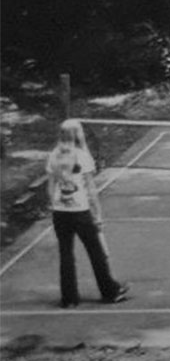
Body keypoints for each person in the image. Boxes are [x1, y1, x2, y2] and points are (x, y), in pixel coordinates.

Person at [46, 119, 129, 308]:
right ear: (78, 134)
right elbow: (91, 189)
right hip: (80, 211)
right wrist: (98, 213)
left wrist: (54, 205)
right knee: (96, 252)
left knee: (66, 254)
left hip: (60, 213)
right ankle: (110, 291)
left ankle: (69, 298)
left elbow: (50, 186)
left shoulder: (53, 155)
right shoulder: (82, 155)